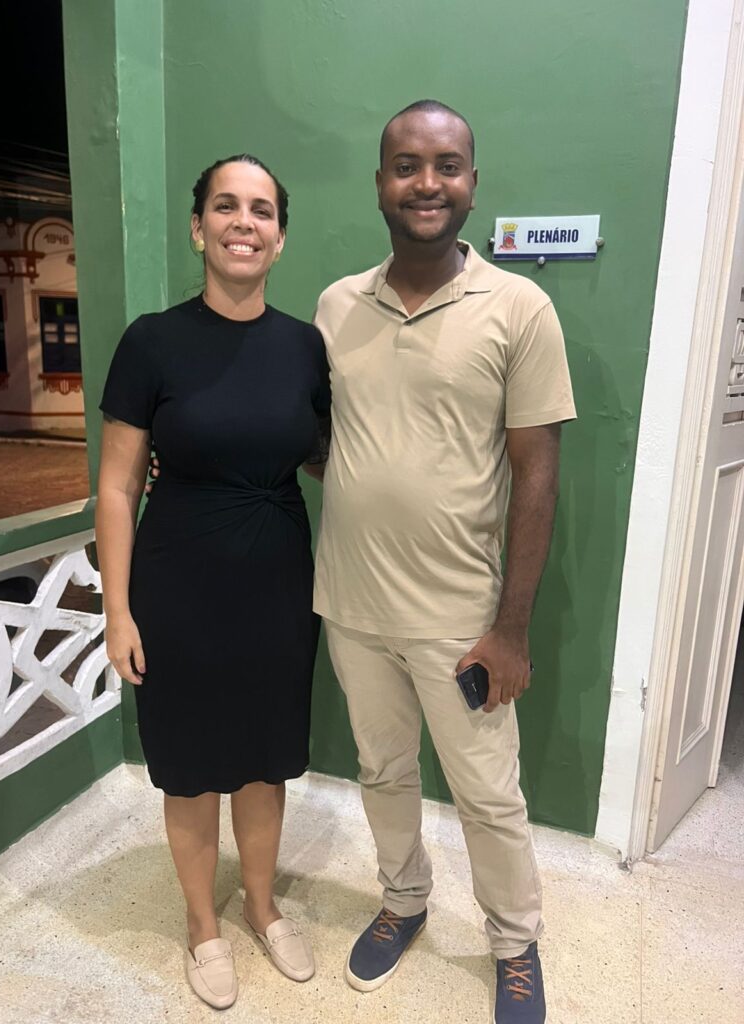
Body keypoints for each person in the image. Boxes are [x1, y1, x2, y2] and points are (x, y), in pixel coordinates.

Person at [310, 100, 576, 1023]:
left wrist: (511, 630)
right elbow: (327, 435)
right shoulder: (337, 305)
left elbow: (537, 473)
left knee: (489, 796)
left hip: (461, 618)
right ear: (380, 182)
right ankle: (404, 901)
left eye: (446, 165)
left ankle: (514, 943)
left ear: (471, 182)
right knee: (382, 772)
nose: (427, 183)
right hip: (351, 604)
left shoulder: (519, 307)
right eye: (407, 165)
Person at [96, 153, 329, 1010]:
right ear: (198, 229)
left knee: (265, 764)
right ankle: (202, 924)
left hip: (278, 586)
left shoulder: (304, 346)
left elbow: (326, 456)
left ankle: (262, 906)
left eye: (262, 211)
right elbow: (116, 488)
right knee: (191, 769)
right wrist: (116, 610)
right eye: (226, 207)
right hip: (177, 588)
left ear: (280, 237)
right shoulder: (152, 342)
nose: (244, 223)